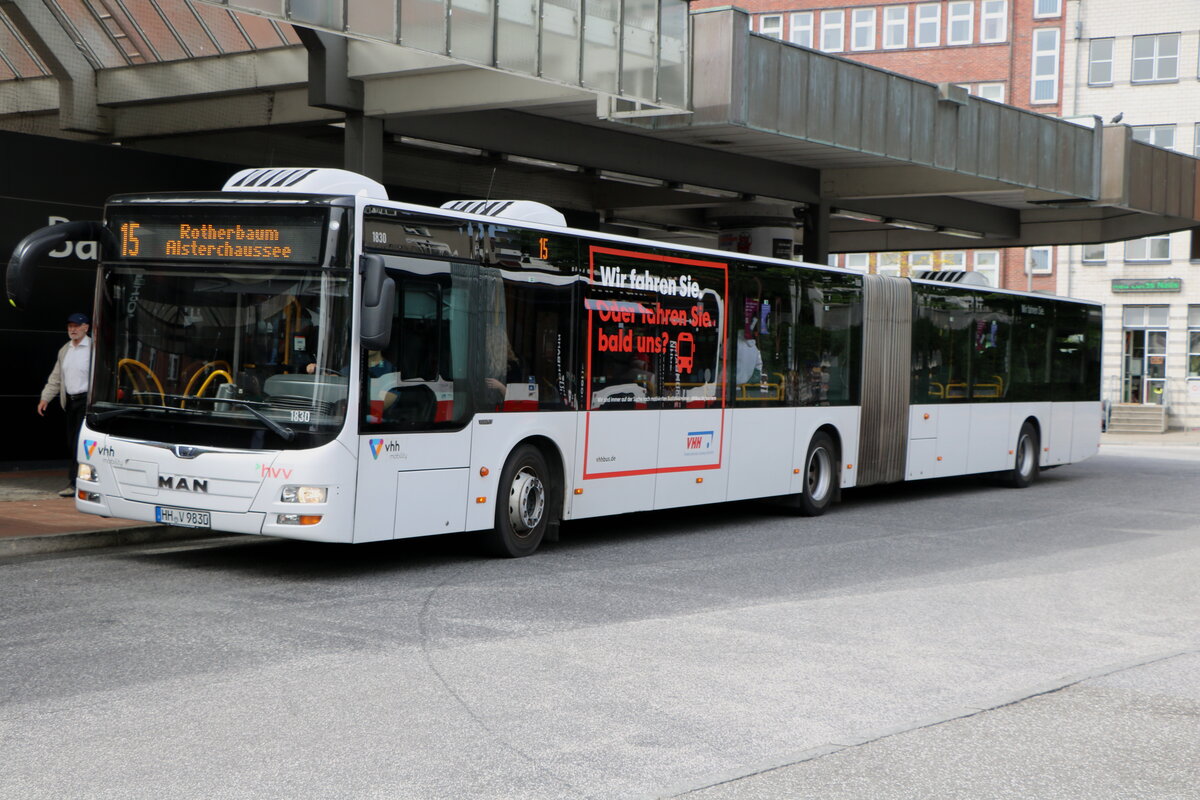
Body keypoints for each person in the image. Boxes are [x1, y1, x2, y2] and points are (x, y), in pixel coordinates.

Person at [38, 312, 93, 497]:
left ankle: (76, 483)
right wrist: (45, 398)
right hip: (70, 402)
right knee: (72, 443)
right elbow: (56, 377)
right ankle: (80, 481)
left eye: (76, 326)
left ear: (86, 327)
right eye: (70, 326)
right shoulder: (65, 350)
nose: (73, 329)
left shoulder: (94, 348)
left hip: (87, 402)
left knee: (80, 443)